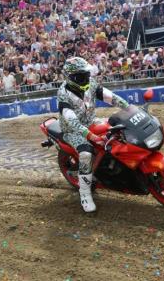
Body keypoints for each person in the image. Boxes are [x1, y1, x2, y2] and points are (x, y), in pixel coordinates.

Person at [57, 57, 129, 213]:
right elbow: (71, 120)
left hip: (92, 121)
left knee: (118, 131)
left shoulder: (91, 84)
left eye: (86, 74)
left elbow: (111, 97)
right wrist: (90, 136)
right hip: (72, 129)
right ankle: (85, 194)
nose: (86, 78)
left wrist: (129, 107)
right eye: (82, 76)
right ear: (72, 77)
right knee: (85, 153)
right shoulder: (63, 93)